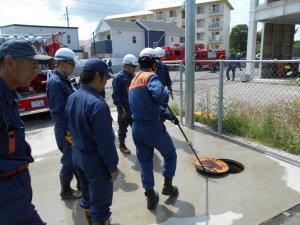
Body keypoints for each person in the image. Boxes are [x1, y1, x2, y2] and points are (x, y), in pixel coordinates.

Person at [0, 40, 51, 225]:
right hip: (8, 199)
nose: (36, 70)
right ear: (9, 61)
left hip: (16, 189)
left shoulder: (10, 94)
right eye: (32, 64)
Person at [66, 58, 119, 225]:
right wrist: (112, 167)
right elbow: (105, 142)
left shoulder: (73, 97)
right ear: (98, 76)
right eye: (106, 78)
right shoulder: (98, 105)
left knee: (87, 196)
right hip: (94, 162)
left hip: (77, 155)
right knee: (101, 205)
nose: (106, 83)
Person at [129, 48, 179, 210]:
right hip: (152, 127)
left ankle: (150, 194)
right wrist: (165, 89)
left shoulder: (134, 80)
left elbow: (149, 104)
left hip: (137, 128)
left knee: (145, 162)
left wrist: (169, 115)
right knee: (170, 154)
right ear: (155, 63)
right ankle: (168, 186)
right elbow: (160, 96)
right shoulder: (151, 77)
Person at [46, 47, 81, 199]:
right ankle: (65, 190)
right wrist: (69, 132)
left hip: (70, 127)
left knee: (74, 158)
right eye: (72, 64)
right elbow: (58, 111)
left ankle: (80, 183)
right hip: (65, 129)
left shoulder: (64, 80)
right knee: (69, 160)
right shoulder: (55, 83)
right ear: (63, 64)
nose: (74, 67)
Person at [112, 54, 138, 154]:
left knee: (136, 128)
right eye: (133, 66)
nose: (134, 68)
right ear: (126, 65)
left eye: (135, 66)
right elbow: (115, 95)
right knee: (123, 129)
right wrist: (120, 109)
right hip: (124, 108)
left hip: (134, 107)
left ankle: (140, 146)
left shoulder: (133, 76)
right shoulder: (118, 78)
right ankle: (122, 146)